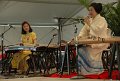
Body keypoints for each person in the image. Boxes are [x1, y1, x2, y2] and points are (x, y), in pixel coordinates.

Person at [76, 3, 110, 75]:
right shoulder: (90, 20)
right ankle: (86, 71)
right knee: (80, 49)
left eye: (91, 10)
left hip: (100, 43)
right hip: (92, 42)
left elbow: (98, 30)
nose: (89, 12)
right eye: (89, 10)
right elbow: (84, 30)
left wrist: (89, 24)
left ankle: (93, 71)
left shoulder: (102, 20)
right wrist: (80, 36)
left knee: (82, 50)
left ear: (96, 10)